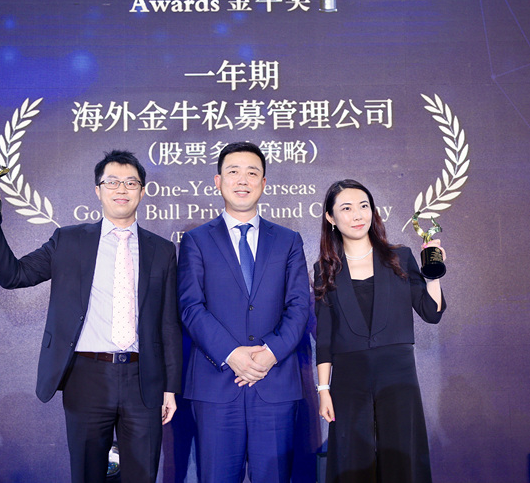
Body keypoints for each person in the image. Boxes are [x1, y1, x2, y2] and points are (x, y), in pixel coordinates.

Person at [0, 150, 182, 483]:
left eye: (131, 183)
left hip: (144, 379)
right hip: (86, 376)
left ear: (142, 191)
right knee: (86, 474)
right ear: (98, 190)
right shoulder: (68, 240)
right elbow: (14, 275)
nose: (121, 189)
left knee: (142, 475)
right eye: (112, 182)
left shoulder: (162, 250)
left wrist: (169, 388)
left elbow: (168, 323)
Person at [177, 141, 311, 482]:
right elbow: (191, 307)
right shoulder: (196, 240)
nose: (243, 180)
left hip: (275, 383)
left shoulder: (288, 240)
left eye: (252, 173)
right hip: (216, 383)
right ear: (218, 181)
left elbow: (298, 306)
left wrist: (270, 354)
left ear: (263, 183)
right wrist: (232, 354)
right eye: (233, 171)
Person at [314, 179, 447, 483]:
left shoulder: (400, 257)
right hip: (349, 377)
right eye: (346, 208)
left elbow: (431, 313)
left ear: (373, 212)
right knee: (351, 463)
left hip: (398, 375)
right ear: (331, 217)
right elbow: (324, 337)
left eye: (364, 206)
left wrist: (433, 273)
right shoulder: (325, 269)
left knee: (403, 461)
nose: (357, 215)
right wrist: (323, 390)